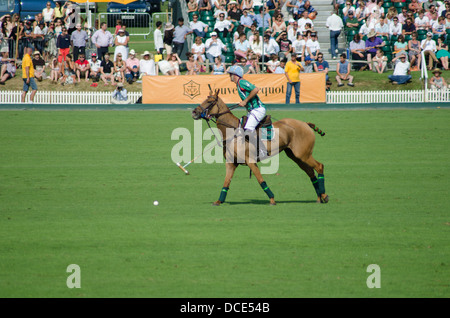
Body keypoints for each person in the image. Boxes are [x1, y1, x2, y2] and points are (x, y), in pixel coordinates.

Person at [226, 64, 268, 158]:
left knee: (248, 130)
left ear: (235, 75)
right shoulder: (238, 84)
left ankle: (261, 151)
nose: (230, 76)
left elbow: (255, 89)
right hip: (251, 111)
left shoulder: (242, 82)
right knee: (240, 128)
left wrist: (245, 101)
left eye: (231, 74)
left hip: (258, 109)